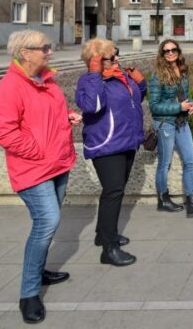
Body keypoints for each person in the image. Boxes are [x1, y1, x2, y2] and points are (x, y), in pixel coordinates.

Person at [0, 30, 81, 324]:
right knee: (47, 222)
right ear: (24, 52)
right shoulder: (9, 88)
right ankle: (29, 294)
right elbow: (4, 133)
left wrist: (66, 115)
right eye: (44, 48)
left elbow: (46, 114)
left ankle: (39, 270)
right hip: (33, 169)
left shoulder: (47, 82)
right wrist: (39, 149)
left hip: (58, 164)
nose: (50, 52)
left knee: (48, 224)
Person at [75, 39, 146, 267]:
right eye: (110, 57)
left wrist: (140, 83)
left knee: (115, 190)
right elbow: (93, 106)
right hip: (106, 145)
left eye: (116, 54)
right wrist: (95, 74)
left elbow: (134, 100)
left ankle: (103, 234)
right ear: (95, 61)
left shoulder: (119, 75)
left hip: (126, 141)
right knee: (113, 192)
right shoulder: (88, 82)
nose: (117, 60)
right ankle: (109, 249)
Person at [147, 39, 193, 216]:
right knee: (164, 163)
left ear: (178, 51)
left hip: (182, 123)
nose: (170, 53)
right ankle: (163, 199)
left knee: (190, 161)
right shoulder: (157, 75)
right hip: (166, 125)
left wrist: (192, 104)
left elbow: (185, 96)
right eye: (166, 51)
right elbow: (153, 106)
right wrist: (179, 107)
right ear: (161, 54)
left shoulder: (182, 71)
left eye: (173, 49)